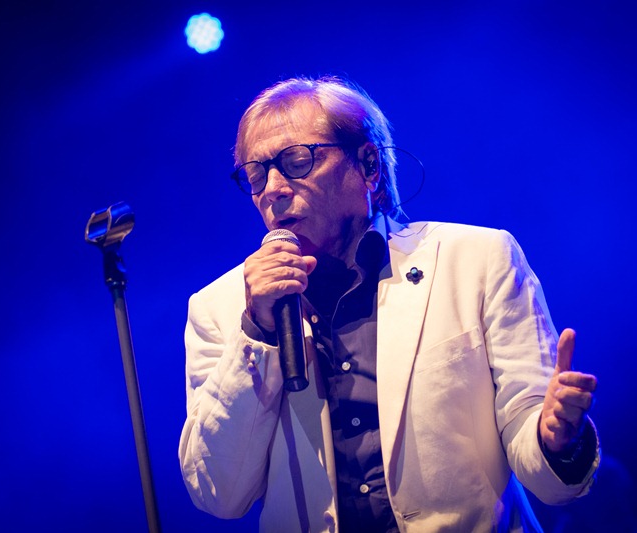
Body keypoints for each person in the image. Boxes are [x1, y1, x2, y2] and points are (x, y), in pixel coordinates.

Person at [179, 75, 600, 532]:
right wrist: (258, 331)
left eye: (297, 161)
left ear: (368, 165)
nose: (273, 188)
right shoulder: (220, 309)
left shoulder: (475, 260)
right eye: (256, 175)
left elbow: (536, 446)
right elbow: (218, 493)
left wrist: (555, 439)